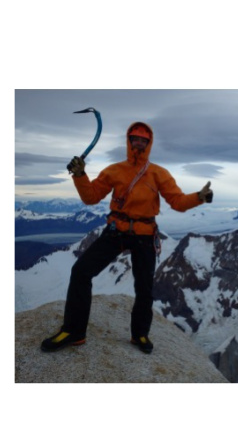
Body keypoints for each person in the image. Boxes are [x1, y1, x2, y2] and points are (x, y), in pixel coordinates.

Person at [41, 121, 213, 354]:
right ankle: (74, 331)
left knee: (144, 287)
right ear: (129, 141)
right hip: (117, 230)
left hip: (143, 234)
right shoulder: (115, 170)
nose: (139, 143)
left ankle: (139, 334)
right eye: (135, 139)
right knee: (81, 271)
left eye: (143, 140)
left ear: (149, 143)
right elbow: (91, 197)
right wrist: (80, 175)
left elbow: (177, 202)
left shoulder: (158, 173)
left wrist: (199, 197)